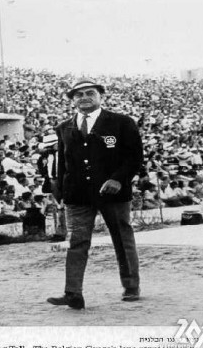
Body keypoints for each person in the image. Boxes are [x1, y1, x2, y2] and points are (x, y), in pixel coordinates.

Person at [47, 79, 143, 310]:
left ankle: (131, 286)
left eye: (90, 93)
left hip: (113, 193)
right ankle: (73, 293)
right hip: (78, 194)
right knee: (77, 242)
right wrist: (59, 189)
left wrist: (118, 179)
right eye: (78, 95)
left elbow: (134, 157)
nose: (84, 98)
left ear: (101, 96)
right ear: (72, 100)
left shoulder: (121, 122)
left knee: (122, 237)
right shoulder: (64, 127)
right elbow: (63, 162)